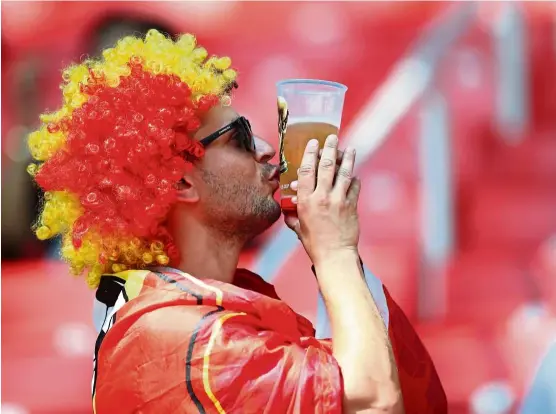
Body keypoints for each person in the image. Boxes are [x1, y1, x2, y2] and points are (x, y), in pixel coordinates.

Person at [27, 30, 446, 413]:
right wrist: (334, 250)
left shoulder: (206, 309)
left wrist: (336, 250)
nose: (267, 149)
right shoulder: (192, 342)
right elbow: (375, 401)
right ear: (180, 181)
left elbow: (413, 395)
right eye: (240, 138)